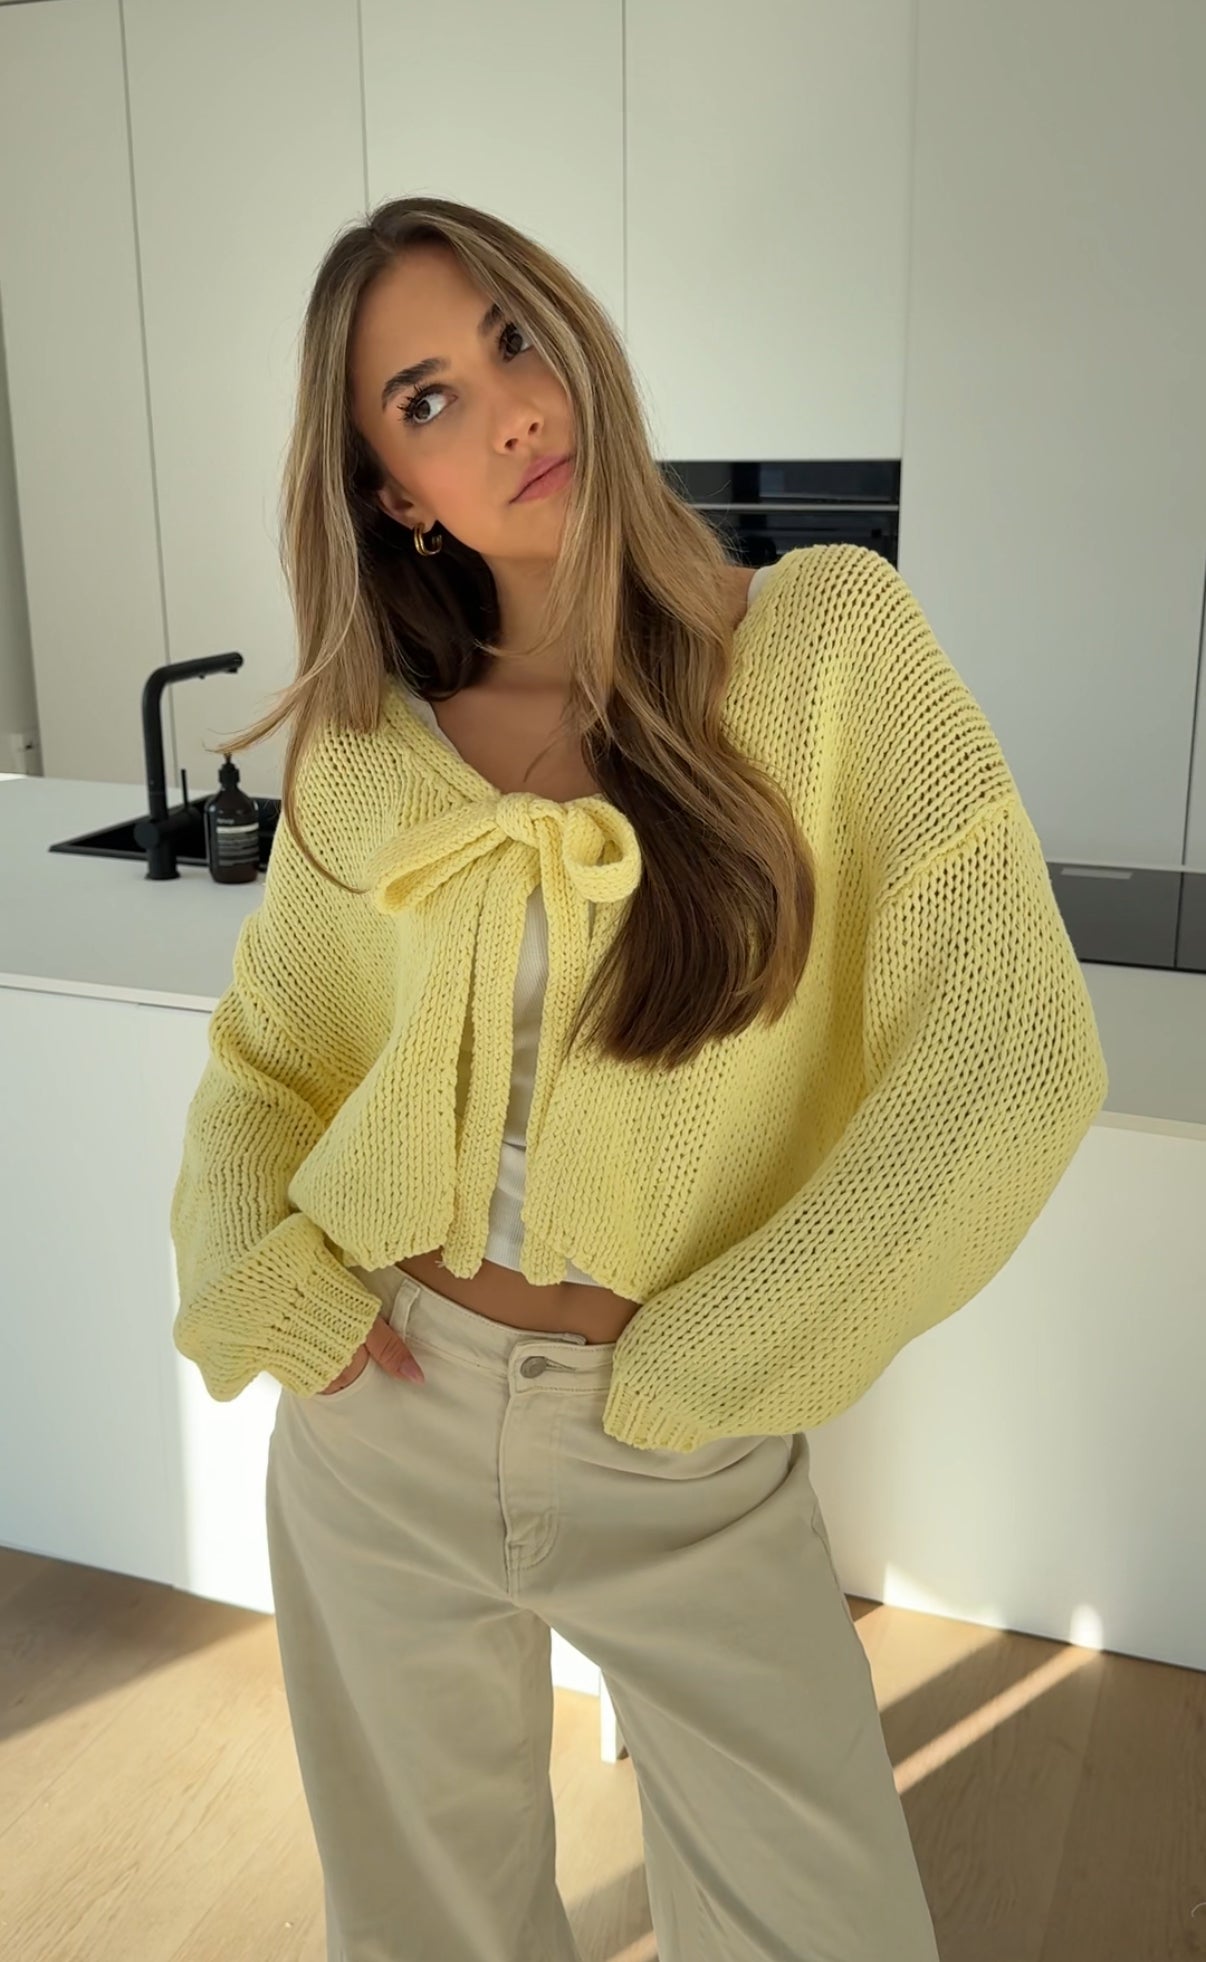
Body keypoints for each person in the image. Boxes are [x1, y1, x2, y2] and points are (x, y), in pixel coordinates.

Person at [169, 196, 1109, 1962]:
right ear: (391, 491)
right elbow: (266, 1062)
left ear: (575, 339)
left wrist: (726, 1350)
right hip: (380, 1418)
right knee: (423, 1929)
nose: (507, 410)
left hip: (674, 1439)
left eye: (512, 338)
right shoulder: (368, 748)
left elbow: (1008, 1055)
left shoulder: (829, 646)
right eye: (427, 400)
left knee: (823, 1925)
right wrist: (266, 1278)